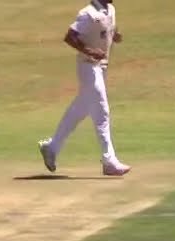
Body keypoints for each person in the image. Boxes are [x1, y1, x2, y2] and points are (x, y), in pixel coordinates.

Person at [37, 0, 132, 177]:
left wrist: (115, 35)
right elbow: (70, 37)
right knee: (102, 111)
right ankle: (109, 160)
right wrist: (89, 51)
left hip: (102, 66)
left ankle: (51, 147)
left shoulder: (110, 9)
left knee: (79, 110)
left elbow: (109, 27)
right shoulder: (87, 14)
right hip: (88, 67)